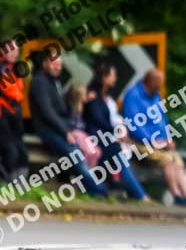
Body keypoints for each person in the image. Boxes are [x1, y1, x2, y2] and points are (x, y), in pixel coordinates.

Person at [28, 51, 107, 196]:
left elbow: (62, 109)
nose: (58, 67)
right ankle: (101, 192)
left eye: (60, 64)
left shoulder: (54, 81)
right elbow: (47, 112)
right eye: (54, 63)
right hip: (49, 131)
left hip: (62, 129)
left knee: (88, 151)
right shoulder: (39, 82)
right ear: (45, 63)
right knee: (76, 156)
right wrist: (66, 131)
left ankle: (92, 189)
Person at [122, 69, 186, 206]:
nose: (160, 87)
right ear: (149, 82)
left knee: (177, 160)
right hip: (140, 143)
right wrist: (153, 141)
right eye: (158, 84)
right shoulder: (133, 95)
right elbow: (133, 125)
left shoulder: (155, 96)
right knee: (167, 159)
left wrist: (168, 138)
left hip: (160, 143)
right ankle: (176, 195)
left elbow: (163, 120)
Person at [84, 63, 149, 201]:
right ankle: (139, 195)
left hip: (105, 137)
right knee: (117, 154)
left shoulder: (104, 96)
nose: (115, 78)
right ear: (104, 77)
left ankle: (135, 193)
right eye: (113, 76)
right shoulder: (93, 96)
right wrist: (116, 133)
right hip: (95, 138)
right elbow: (97, 120)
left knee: (120, 154)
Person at [0, 39, 28, 180]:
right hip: (3, 115)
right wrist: (18, 95)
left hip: (13, 114)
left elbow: (19, 90)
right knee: (10, 149)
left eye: (16, 50)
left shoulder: (13, 67)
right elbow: (11, 91)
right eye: (11, 49)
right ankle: (8, 180)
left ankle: (17, 180)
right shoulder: (3, 67)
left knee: (20, 148)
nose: (14, 53)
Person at [64, 83, 102, 168]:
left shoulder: (81, 106)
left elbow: (86, 100)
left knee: (97, 152)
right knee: (89, 152)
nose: (87, 94)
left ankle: (89, 173)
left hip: (81, 134)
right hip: (76, 134)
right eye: (85, 93)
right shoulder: (71, 108)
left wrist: (89, 98)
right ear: (79, 95)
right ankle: (83, 172)